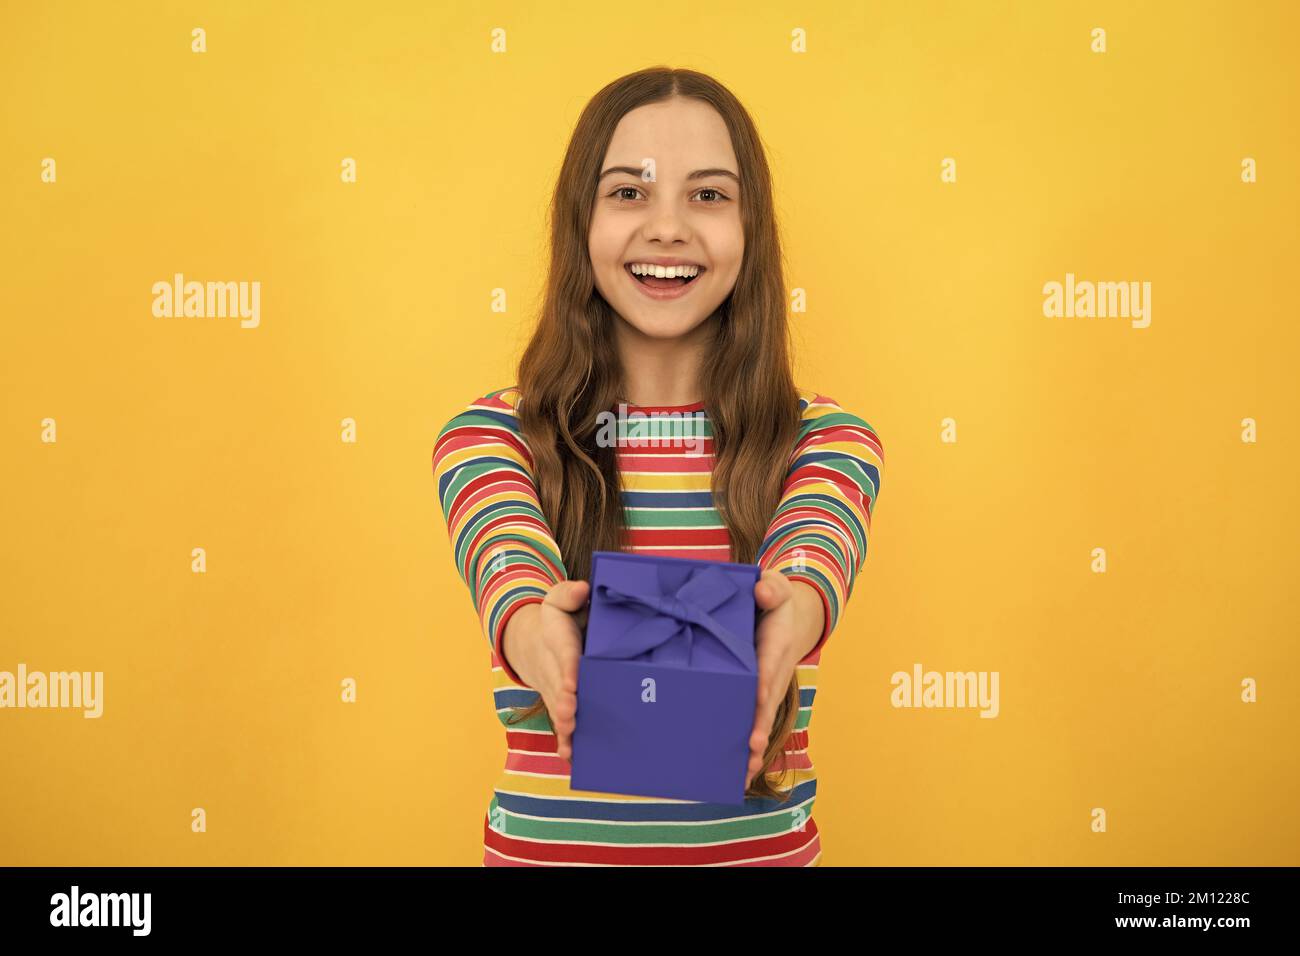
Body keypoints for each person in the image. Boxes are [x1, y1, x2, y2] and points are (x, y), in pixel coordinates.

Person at [432, 66, 883, 866]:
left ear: (752, 228)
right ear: (582, 224)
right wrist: (541, 635)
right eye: (629, 192)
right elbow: (508, 568)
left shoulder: (825, 438)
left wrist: (797, 614)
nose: (669, 227)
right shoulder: (495, 434)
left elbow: (817, 546)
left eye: (708, 195)